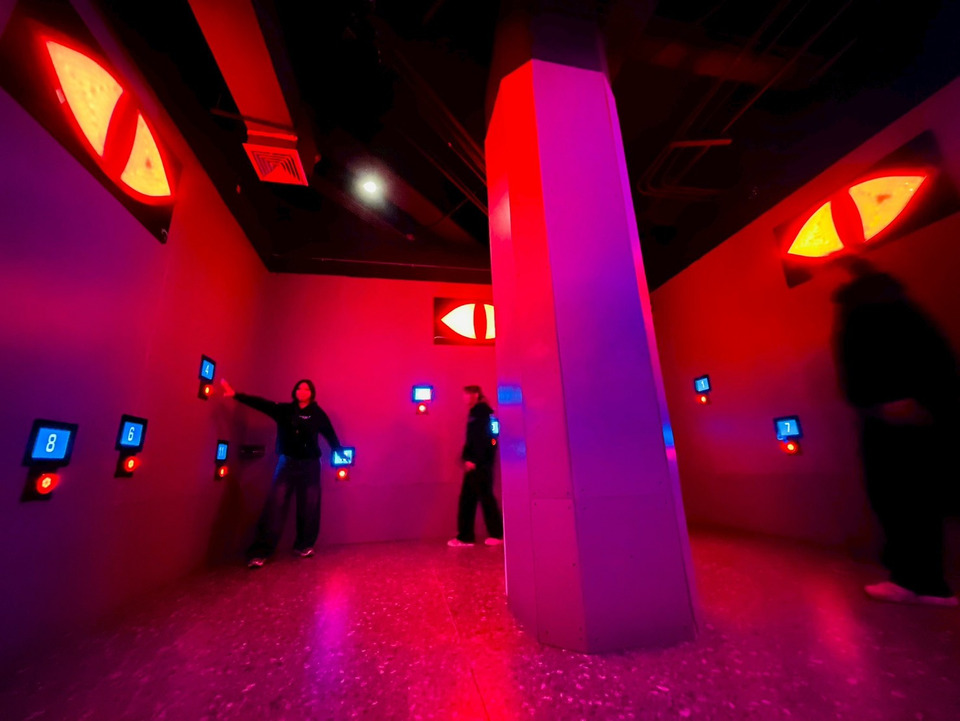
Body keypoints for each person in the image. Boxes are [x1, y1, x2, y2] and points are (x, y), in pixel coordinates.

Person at [832, 257, 958, 606]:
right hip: (909, 414)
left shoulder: (868, 312)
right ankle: (922, 581)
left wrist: (882, 401)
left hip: (894, 417)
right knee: (914, 499)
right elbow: (940, 359)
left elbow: (863, 364)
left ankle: (916, 580)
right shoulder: (899, 307)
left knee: (901, 498)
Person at [220, 378, 344, 568]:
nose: (302, 391)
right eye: (299, 388)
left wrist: (340, 453)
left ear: (312, 393)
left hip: (311, 465)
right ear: (295, 392)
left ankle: (304, 546)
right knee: (275, 507)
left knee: (310, 506)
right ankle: (260, 552)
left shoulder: (318, 414)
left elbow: (330, 435)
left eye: (306, 389)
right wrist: (236, 395)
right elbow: (262, 404)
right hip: (287, 463)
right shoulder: (284, 410)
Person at [449, 385, 504, 547]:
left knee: (470, 499)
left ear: (475, 394)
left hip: (478, 464)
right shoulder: (485, 412)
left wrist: (473, 459)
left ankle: (467, 537)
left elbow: (480, 439)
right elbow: (491, 439)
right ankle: (493, 533)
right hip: (482, 463)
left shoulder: (479, 412)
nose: (464, 398)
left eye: (466, 395)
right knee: (480, 497)